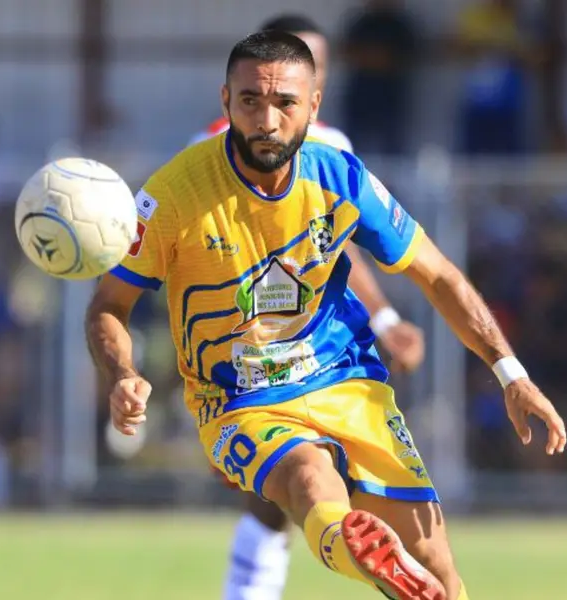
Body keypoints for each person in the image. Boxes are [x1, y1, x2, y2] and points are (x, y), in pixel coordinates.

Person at [87, 32, 566, 600]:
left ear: (314, 105)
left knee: (442, 576)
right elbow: (108, 306)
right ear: (225, 101)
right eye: (250, 101)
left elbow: (437, 274)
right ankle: (361, 548)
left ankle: (379, 559)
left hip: (348, 381)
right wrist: (120, 374)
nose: (267, 119)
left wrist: (511, 373)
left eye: (285, 103)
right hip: (240, 398)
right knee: (310, 482)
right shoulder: (172, 196)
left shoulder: (342, 178)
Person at [190, 15, 425, 600]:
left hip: (323, 352)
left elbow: (341, 245)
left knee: (302, 492)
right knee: (278, 494)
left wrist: (386, 318)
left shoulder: (333, 149)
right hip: (244, 357)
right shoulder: (207, 154)